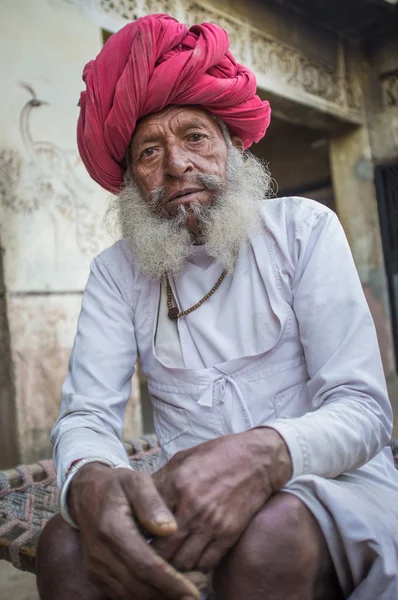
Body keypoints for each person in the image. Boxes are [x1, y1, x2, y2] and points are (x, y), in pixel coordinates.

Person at [36, 13, 398, 600]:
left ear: (230, 145)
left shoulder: (304, 230)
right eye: (148, 152)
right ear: (130, 180)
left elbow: (363, 411)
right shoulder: (116, 271)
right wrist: (89, 479)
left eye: (195, 138)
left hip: (331, 487)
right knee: (66, 545)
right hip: (188, 506)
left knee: (268, 536)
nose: (177, 165)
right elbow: (86, 418)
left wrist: (265, 455)